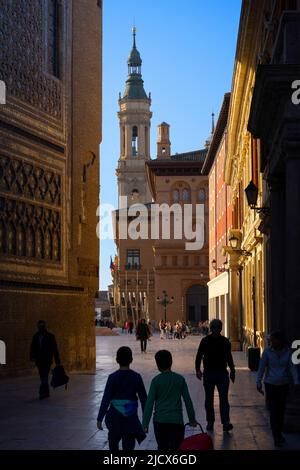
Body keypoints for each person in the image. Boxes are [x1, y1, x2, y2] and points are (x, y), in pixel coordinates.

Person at [143, 350, 197, 450]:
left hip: (160, 422)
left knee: (162, 447)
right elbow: (188, 401)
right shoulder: (180, 379)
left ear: (158, 365)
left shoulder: (156, 381)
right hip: (176, 421)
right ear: (171, 362)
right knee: (176, 447)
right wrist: (192, 419)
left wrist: (145, 424)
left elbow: (149, 404)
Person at [97, 346, 147, 450]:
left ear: (117, 360)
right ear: (131, 360)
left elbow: (106, 399)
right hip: (130, 418)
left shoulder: (112, 377)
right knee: (129, 445)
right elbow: (143, 399)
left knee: (113, 444)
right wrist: (145, 421)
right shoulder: (136, 376)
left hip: (114, 417)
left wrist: (99, 418)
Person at [256, 331, 299, 447]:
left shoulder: (287, 352)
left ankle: (279, 433)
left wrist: (296, 382)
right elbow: (261, 367)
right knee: (274, 411)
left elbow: (292, 367)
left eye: (274, 340)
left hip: (284, 384)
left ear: (280, 341)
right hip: (270, 384)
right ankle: (276, 435)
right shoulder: (267, 352)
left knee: (281, 410)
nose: (271, 342)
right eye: (271, 340)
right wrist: (258, 382)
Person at [195, 318, 235, 432]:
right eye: (214, 328)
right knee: (208, 399)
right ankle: (210, 421)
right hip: (209, 374)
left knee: (224, 399)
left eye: (218, 328)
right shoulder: (205, 341)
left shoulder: (225, 342)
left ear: (221, 329)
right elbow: (198, 356)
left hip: (222, 373)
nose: (216, 330)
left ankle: (226, 422)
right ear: (211, 329)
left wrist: (233, 370)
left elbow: (229, 357)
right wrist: (198, 370)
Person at [30, 320, 60, 400]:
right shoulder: (35, 336)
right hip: (39, 361)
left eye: (42, 326)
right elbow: (32, 347)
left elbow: (55, 349)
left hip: (47, 360)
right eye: (39, 326)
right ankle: (46, 392)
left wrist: (57, 361)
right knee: (42, 376)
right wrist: (32, 357)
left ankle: (42, 392)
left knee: (44, 376)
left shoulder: (50, 336)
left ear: (45, 326)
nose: (41, 327)